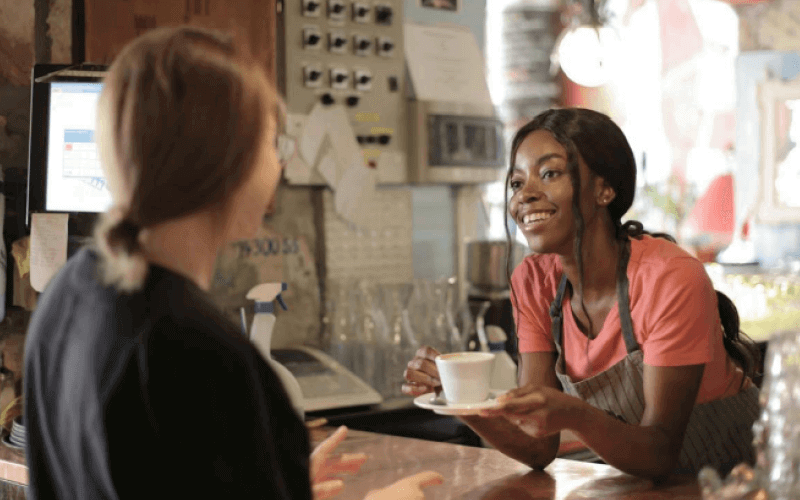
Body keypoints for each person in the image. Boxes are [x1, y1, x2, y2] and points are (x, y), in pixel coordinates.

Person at [24, 26, 442, 500]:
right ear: (226, 162)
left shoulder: (66, 296)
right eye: (271, 143)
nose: (279, 166)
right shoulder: (203, 353)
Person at [403, 108, 761, 479]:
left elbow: (659, 451)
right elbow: (539, 446)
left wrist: (574, 413)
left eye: (549, 174)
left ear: (605, 189)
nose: (525, 195)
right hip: (646, 486)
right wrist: (460, 399)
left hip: (740, 482)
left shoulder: (667, 278)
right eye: (516, 182)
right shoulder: (534, 282)